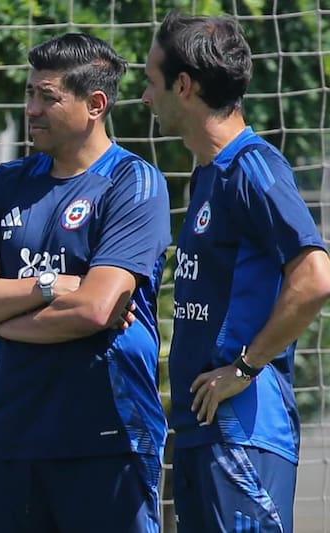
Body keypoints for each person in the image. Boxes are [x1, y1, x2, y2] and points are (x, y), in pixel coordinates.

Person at [0, 32, 171, 533]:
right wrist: (50, 285)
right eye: (29, 94)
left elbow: (94, 309)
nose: (32, 109)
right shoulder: (6, 183)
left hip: (105, 435)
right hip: (14, 435)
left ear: (95, 105)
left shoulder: (134, 183)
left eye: (47, 97)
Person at [143, 11, 330, 533]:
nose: (144, 98)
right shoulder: (207, 176)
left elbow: (316, 275)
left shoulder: (254, 167)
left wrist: (245, 367)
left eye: (150, 83)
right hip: (206, 431)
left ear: (184, 85)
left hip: (245, 431)